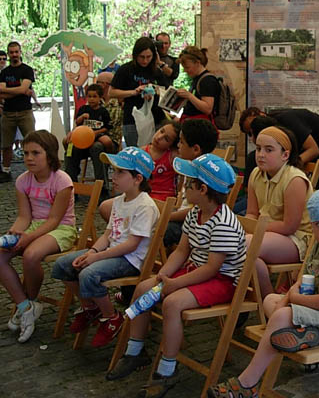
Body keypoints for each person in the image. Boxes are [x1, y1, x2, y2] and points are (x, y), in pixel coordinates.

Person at [210, 187, 319, 398]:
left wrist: (293, 301)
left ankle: (247, 384)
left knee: (281, 316)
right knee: (270, 300)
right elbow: (302, 280)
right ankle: (302, 333)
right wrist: (286, 299)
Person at [107, 154, 246, 397]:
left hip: (222, 280)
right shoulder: (195, 213)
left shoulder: (224, 222)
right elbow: (182, 250)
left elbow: (212, 269)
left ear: (202, 189)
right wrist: (164, 274)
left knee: (172, 303)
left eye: (188, 183)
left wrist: (175, 283)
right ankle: (135, 352)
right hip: (195, 270)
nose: (184, 187)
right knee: (143, 288)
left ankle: (167, 371)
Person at [51, 147, 159, 347]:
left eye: (120, 172)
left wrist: (97, 257)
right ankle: (91, 307)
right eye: (113, 170)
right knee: (63, 265)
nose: (113, 176)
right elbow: (108, 234)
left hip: (130, 260)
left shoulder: (145, 205)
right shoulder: (119, 201)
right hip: (112, 253)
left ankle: (111, 317)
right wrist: (93, 252)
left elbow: (132, 245)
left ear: (138, 179)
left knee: (88, 274)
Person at [0, 130, 76, 343]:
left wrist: (29, 237)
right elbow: (24, 216)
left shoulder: (61, 180)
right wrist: (15, 232)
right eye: (25, 153)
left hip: (61, 228)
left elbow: (54, 220)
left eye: (35, 153)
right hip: (35, 226)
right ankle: (26, 307)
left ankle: (31, 300)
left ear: (49, 155)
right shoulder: (23, 181)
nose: (29, 158)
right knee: (1, 255)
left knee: (31, 255)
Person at [246, 126, 312, 296]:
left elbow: (289, 226)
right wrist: (250, 227)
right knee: (243, 250)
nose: (261, 154)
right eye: (258, 148)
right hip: (266, 232)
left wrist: (257, 228)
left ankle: (266, 299)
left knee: (244, 244)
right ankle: (267, 299)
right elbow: (251, 212)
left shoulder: (294, 179)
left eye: (269, 150)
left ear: (285, 155)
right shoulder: (256, 173)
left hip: (297, 239)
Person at [98, 122, 181, 221]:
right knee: (105, 207)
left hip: (161, 200)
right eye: (161, 131)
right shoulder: (141, 151)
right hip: (140, 194)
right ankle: (123, 228)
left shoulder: (173, 156)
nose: (159, 137)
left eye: (166, 139)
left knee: (138, 212)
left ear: (172, 145)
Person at [240, 106, 319, 188]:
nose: (253, 137)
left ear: (262, 115)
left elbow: (313, 150)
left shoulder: (287, 120)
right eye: (249, 133)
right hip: (303, 143)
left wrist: (290, 166)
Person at [164, 119, 218, 247]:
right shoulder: (189, 166)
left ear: (196, 149)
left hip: (193, 225)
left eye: (182, 142)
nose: (178, 145)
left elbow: (196, 211)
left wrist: (167, 216)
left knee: (160, 229)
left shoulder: (205, 175)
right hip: (181, 217)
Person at [109, 37, 164, 147]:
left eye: (148, 57)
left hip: (155, 118)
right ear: (135, 55)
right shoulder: (126, 69)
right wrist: (133, 92)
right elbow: (112, 92)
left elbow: (164, 91)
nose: (145, 61)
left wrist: (154, 90)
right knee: (134, 151)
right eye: (141, 57)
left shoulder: (156, 71)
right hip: (132, 119)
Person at [63, 84, 113, 187]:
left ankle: (102, 185)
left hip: (97, 136)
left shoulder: (103, 111)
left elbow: (107, 127)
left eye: (94, 96)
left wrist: (95, 133)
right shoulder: (83, 109)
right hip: (82, 137)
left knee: (100, 145)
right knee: (69, 146)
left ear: (100, 98)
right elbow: (77, 123)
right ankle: (71, 183)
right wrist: (81, 117)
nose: (91, 99)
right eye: (89, 96)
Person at [0, 42, 36, 183]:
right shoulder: (4, 72)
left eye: (16, 52)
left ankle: (33, 171)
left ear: (20, 52)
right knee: (6, 144)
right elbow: (2, 93)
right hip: (8, 113)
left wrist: (9, 91)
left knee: (32, 142)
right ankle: (6, 170)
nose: (14, 54)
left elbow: (22, 89)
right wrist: (21, 91)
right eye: (11, 52)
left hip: (25, 112)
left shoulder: (27, 70)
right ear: (8, 54)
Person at [176, 46, 220, 126]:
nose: (185, 71)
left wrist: (189, 96)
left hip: (200, 125)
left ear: (197, 63)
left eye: (187, 67)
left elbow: (207, 109)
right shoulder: (197, 78)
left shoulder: (207, 81)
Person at [96, 71, 124, 151]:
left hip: (111, 140)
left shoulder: (119, 103)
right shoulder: (94, 101)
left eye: (97, 82)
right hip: (93, 135)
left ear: (104, 84)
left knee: (96, 147)